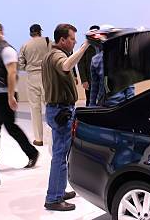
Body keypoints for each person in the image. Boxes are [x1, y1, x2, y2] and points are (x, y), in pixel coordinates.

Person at [42, 24, 90, 211]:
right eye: (72, 38)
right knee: (60, 156)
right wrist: (85, 47)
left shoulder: (50, 54)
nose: (74, 41)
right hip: (61, 110)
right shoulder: (57, 55)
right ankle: (53, 198)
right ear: (62, 40)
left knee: (60, 154)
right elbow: (66, 65)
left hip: (58, 110)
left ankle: (59, 191)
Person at [0, 22, 38, 172]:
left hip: (5, 94)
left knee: (11, 128)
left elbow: (12, 74)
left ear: (2, 32)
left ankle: (32, 153)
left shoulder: (7, 50)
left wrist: (11, 95)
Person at [18, 23, 51, 146]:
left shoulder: (25, 45)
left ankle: (39, 139)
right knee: (50, 106)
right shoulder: (48, 41)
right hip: (46, 76)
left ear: (31, 33)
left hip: (32, 77)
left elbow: (20, 64)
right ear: (40, 32)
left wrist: (29, 66)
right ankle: (52, 136)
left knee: (35, 108)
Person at [77, 25, 100, 107]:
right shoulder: (85, 46)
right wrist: (84, 80)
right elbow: (80, 63)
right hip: (90, 80)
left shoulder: (105, 45)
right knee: (90, 101)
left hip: (102, 79)